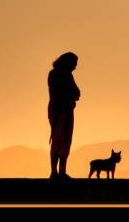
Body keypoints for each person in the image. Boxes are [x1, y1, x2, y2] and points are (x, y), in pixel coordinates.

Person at [47, 52, 80, 180]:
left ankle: (62, 172)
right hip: (57, 111)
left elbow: (77, 92)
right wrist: (69, 96)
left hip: (67, 111)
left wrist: (70, 96)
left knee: (67, 141)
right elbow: (58, 93)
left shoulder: (68, 75)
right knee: (57, 140)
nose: (75, 67)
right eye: (74, 64)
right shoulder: (54, 74)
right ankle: (54, 172)